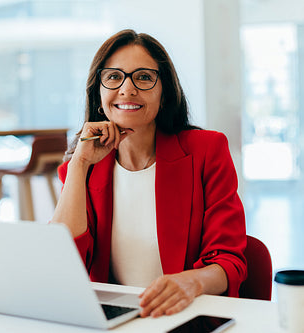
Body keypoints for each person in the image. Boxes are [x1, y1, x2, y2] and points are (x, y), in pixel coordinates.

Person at [51, 29, 247, 318]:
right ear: (98, 93)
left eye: (143, 77)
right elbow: (62, 264)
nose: (127, 89)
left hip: (185, 317)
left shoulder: (207, 150)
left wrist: (191, 282)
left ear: (164, 92)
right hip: (115, 321)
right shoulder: (81, 167)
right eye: (114, 77)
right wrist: (80, 163)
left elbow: (230, 260)